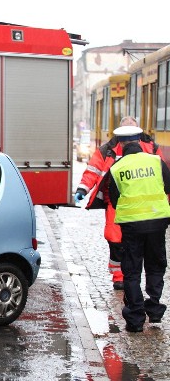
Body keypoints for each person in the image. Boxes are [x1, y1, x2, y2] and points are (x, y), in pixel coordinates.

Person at [74, 116, 162, 290]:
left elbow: (161, 176)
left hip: (143, 203)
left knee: (141, 243)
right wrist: (83, 189)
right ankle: (119, 276)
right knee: (115, 239)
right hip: (116, 203)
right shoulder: (108, 149)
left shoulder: (150, 148)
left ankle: (133, 278)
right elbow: (93, 170)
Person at [106, 125, 170, 332]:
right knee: (156, 266)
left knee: (132, 271)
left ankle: (134, 319)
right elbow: (168, 187)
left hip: (131, 226)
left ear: (121, 144)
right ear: (140, 142)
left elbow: (114, 201)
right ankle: (154, 310)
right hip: (157, 222)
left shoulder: (116, 168)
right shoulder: (156, 161)